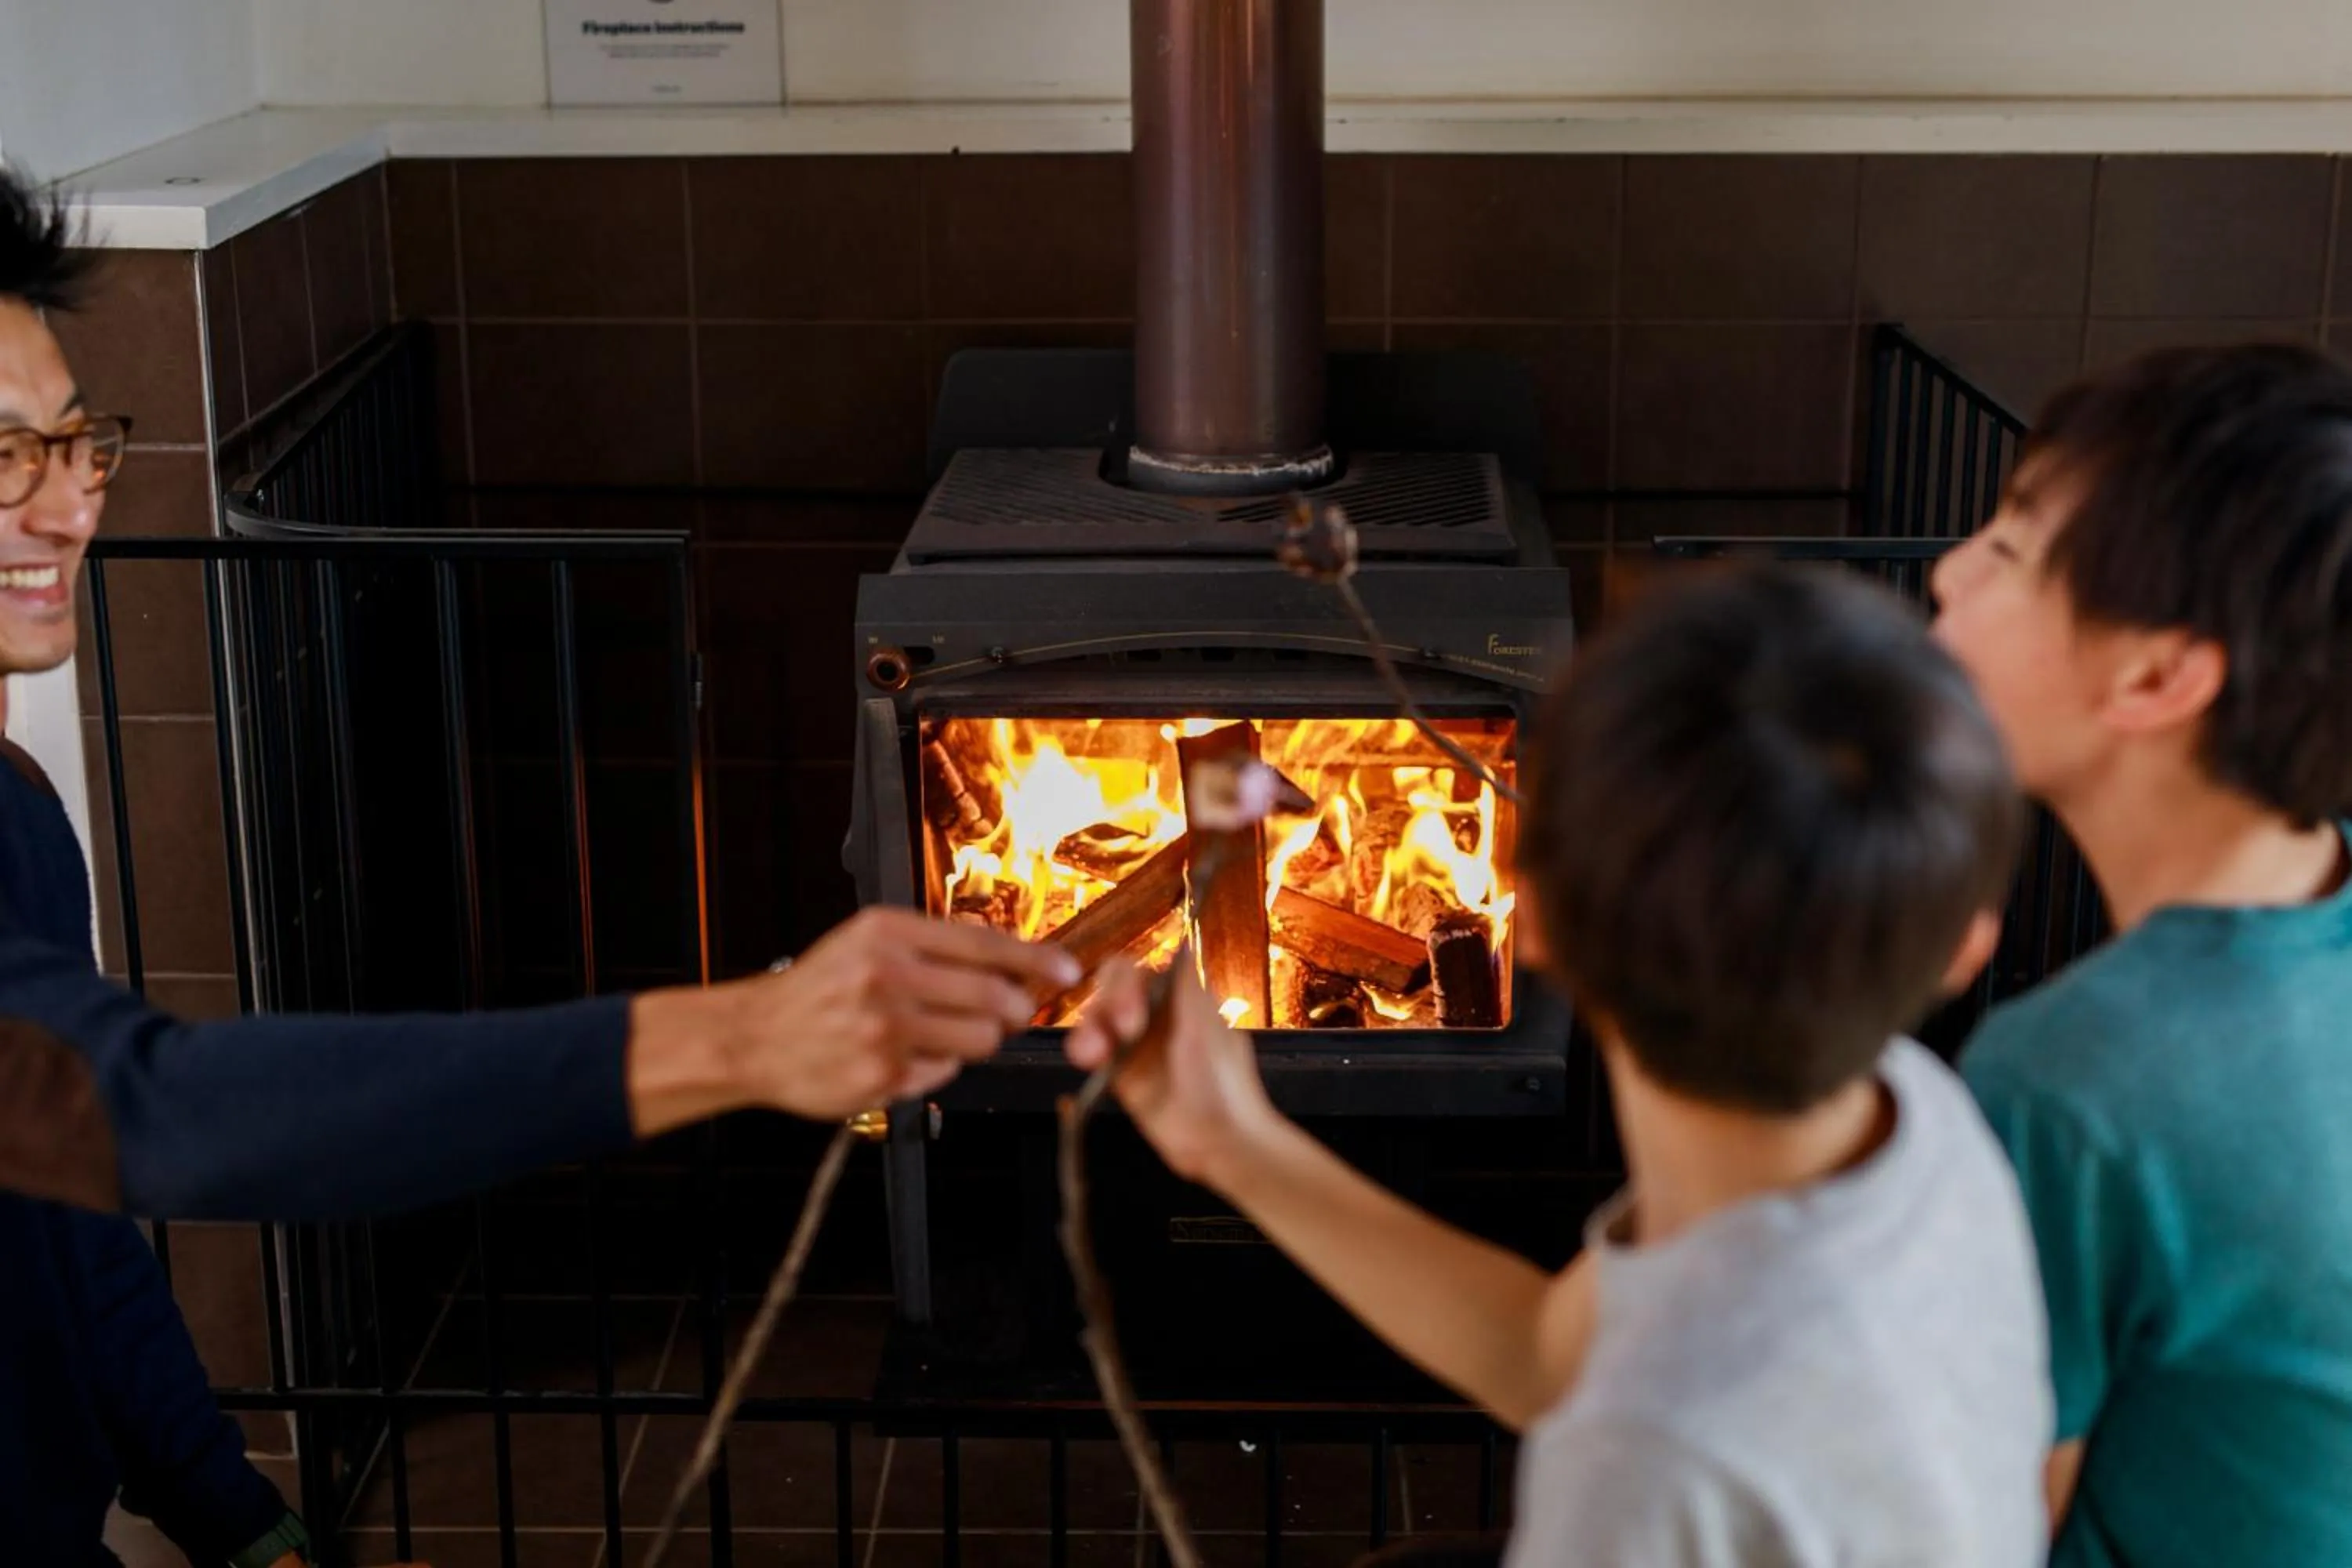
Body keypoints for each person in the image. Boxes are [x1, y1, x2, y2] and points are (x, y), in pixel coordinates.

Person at [0, 165, 1070, 1560]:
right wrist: (743, 1036)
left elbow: (72, 1213)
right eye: (5, 457)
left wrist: (233, 1517)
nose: (68, 508)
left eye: (77, 444)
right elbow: (148, 1114)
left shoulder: (20, 808)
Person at [1073, 564, 2052, 1566]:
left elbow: (1620, 1405)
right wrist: (1234, 1144)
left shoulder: (1647, 1456)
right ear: (1965, 945)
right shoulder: (1927, 1132)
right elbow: (1549, 1351)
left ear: (1529, 918)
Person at [1934, 343, 2352, 1568]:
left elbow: (1972, 1535)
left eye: (2009, 549)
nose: (1950, 571)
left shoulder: (2072, 1082)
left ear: (2160, 675)